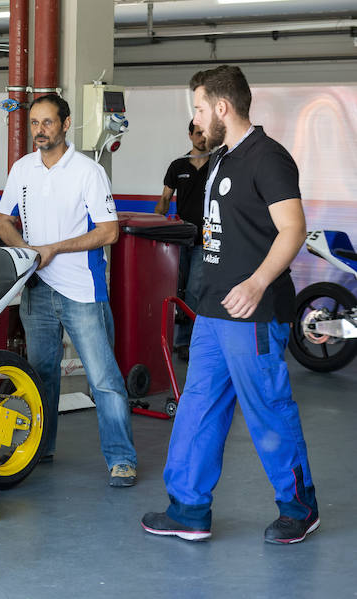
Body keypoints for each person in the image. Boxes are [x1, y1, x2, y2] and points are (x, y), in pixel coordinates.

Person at [141, 65, 319, 544]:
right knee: (198, 407)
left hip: (253, 314)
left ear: (222, 107)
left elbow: (293, 230)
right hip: (214, 312)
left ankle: (299, 508)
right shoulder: (221, 158)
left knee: (267, 410)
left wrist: (258, 283)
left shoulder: (268, 158)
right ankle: (189, 509)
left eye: (199, 108)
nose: (196, 118)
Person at [0, 93, 138, 488]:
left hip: (81, 291)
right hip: (37, 288)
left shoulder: (88, 172)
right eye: (35, 123)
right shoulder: (22, 169)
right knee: (41, 378)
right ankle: (42, 447)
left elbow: (109, 231)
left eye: (47, 123)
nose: (39, 131)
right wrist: (23, 248)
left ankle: (121, 458)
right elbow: (3, 220)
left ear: (65, 123)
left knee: (103, 379)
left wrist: (54, 248)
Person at [154, 121, 209, 360]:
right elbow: (165, 199)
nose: (202, 139)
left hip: (205, 240)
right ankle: (172, 339)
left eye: (206, 135)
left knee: (195, 290)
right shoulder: (177, 166)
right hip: (180, 238)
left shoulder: (218, 165)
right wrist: (155, 225)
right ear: (190, 135)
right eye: (198, 134)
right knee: (176, 289)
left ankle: (187, 342)